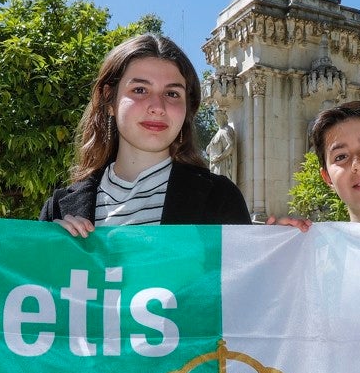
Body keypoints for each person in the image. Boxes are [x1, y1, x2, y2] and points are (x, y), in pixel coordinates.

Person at [40, 33, 250, 234]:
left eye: (172, 93)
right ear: (109, 99)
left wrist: (270, 248)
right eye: (140, 90)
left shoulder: (220, 198)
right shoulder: (58, 210)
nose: (158, 107)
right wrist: (51, 249)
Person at [206, 108, 237, 180]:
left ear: (222, 118)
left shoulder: (226, 130)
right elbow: (208, 150)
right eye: (215, 118)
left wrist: (219, 157)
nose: (216, 120)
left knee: (220, 183)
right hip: (215, 164)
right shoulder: (219, 131)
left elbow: (231, 145)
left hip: (222, 164)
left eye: (217, 117)